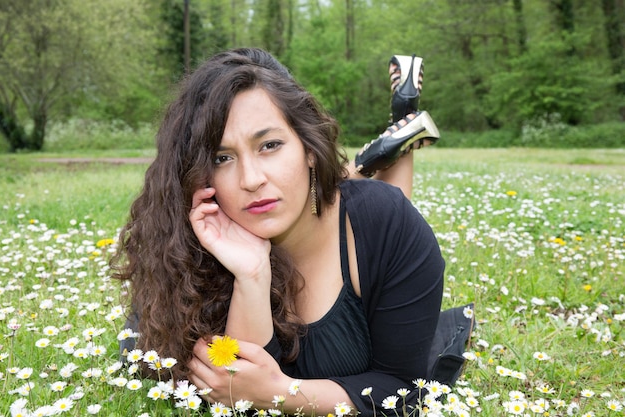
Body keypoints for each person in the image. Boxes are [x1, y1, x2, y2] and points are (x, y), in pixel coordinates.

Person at [112, 47, 471, 416]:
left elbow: (402, 392)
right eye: (222, 158)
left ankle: (395, 131)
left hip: (367, 219)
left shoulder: (386, 224)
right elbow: (236, 398)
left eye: (270, 145)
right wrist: (250, 275)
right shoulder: (189, 253)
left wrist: (282, 391)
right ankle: (397, 129)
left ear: (310, 147)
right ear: (197, 173)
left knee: (382, 220)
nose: (251, 180)